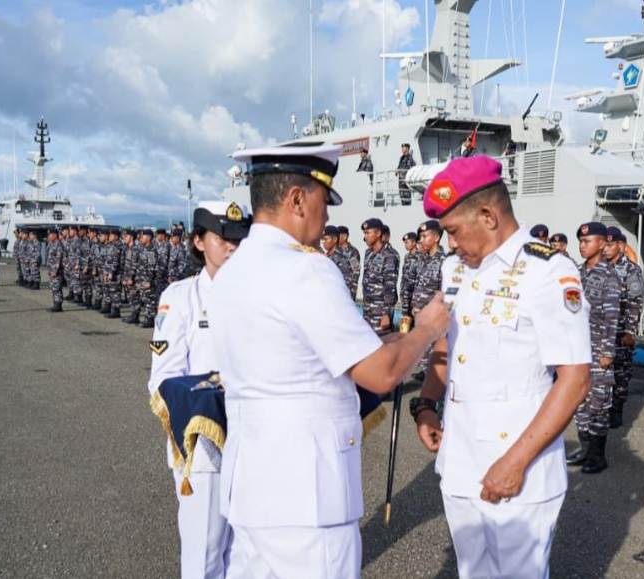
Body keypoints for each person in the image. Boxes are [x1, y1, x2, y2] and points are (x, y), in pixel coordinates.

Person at [209, 143, 449, 578]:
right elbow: (381, 374)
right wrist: (428, 330)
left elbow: (294, 352)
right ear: (297, 199)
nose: (325, 220)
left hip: (249, 491)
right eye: (324, 201)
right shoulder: (306, 270)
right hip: (307, 500)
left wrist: (392, 339)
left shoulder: (231, 272)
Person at [412, 155, 592, 577]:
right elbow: (447, 341)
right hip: (460, 459)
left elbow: (576, 378)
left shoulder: (547, 272)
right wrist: (425, 404)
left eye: (453, 231)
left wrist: (515, 462)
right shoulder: (455, 269)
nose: (450, 243)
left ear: (488, 216)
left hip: (518, 463)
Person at [148, 201, 253, 579]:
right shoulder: (180, 298)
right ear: (198, 241)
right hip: (204, 451)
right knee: (205, 557)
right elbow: (163, 379)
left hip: (254, 443)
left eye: (238, 238)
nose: (232, 246)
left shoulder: (259, 295)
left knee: (248, 556)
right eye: (222, 238)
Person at [565, 222, 620, 474]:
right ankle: (585, 448)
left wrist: (607, 352)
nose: (582, 245)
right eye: (580, 241)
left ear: (601, 243)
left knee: (598, 403)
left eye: (587, 241)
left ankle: (598, 455)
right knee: (579, 401)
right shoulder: (576, 273)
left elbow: (612, 317)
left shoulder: (609, 277)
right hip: (576, 349)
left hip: (598, 349)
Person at [604, 226, 644, 428]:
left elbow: (635, 302)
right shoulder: (599, 267)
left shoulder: (631, 270)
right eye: (604, 244)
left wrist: (630, 331)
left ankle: (617, 410)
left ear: (621, 246)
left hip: (620, 331)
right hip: (601, 331)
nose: (605, 248)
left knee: (620, 373)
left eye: (610, 245)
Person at [407, 219, 446, 381]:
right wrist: (414, 306)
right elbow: (418, 285)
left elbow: (445, 294)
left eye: (424, 236)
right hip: (420, 317)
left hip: (433, 321)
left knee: (435, 361)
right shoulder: (423, 259)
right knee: (423, 358)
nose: (421, 240)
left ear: (436, 238)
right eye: (420, 237)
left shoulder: (444, 262)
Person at [361, 218, 399, 335]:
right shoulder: (368, 253)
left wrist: (386, 313)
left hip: (380, 312)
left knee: (382, 342)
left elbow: (390, 286)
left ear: (378, 233)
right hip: (367, 310)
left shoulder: (389, 255)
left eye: (368, 233)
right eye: (364, 233)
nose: (365, 236)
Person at [400, 231, 422, 324]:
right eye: (404, 243)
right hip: (406, 294)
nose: (405, 245)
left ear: (414, 242)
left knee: (415, 321)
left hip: (415, 295)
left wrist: (417, 297)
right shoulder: (407, 257)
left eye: (407, 242)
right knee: (405, 321)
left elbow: (421, 278)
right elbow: (404, 275)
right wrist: (401, 291)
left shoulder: (421, 256)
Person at [337, 225, 361, 298]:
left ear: (344, 236)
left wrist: (352, 290)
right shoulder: (335, 250)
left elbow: (356, 272)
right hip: (336, 288)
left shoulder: (353, 252)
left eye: (338, 235)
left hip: (347, 289)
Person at [46, 228, 65, 312]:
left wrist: (55, 271)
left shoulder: (58, 245)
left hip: (56, 271)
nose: (49, 236)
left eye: (50, 234)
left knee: (57, 288)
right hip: (51, 270)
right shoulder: (51, 244)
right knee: (53, 287)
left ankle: (58, 304)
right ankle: (55, 303)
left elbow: (58, 259)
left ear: (55, 235)